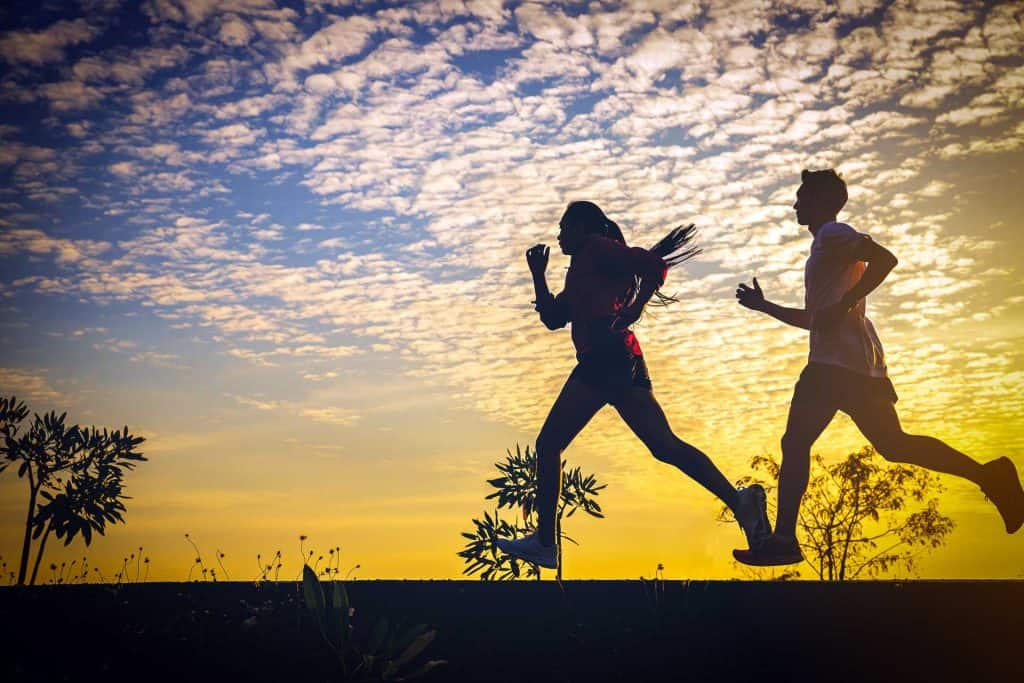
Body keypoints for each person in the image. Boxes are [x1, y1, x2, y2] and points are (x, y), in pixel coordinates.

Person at [733, 169, 1024, 566]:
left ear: (821, 200)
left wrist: (847, 300)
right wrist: (765, 307)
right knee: (894, 445)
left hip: (833, 366)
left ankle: (785, 540)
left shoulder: (833, 235)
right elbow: (817, 319)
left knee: (796, 443)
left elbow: (886, 260)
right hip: (854, 365)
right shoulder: (825, 247)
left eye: (802, 196)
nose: (796, 204)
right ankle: (991, 476)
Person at [497, 200, 771, 570]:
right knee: (664, 446)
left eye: (564, 227)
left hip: (606, 360)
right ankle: (740, 503)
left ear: (583, 228)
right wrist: (538, 274)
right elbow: (553, 318)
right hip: (621, 361)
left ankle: (546, 543)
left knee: (549, 445)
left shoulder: (596, 249)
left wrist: (637, 306)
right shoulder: (582, 269)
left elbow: (655, 267)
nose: (559, 235)